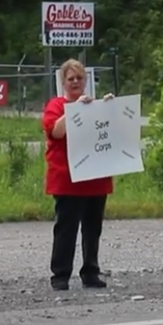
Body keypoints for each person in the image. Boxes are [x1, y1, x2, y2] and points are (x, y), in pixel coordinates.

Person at [41, 59, 115, 291]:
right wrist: (75, 110)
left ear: (86, 81)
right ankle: (60, 275)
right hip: (68, 180)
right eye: (71, 78)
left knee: (93, 229)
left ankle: (90, 272)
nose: (75, 82)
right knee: (66, 229)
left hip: (95, 178)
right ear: (63, 82)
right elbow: (56, 132)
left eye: (79, 78)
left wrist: (110, 108)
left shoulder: (94, 105)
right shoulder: (56, 105)